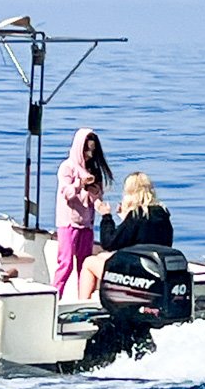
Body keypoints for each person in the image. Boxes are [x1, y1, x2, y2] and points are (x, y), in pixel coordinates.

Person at [77, 171, 174, 299]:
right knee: (102, 256)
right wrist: (125, 219)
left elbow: (109, 243)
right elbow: (140, 237)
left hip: (136, 275)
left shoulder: (136, 216)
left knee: (89, 262)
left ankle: (83, 304)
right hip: (155, 268)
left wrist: (106, 217)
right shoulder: (163, 214)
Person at [54, 128, 113, 298]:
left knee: (85, 264)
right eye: (86, 150)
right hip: (68, 223)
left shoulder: (92, 169)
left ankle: (83, 299)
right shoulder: (67, 167)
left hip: (86, 224)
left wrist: (96, 194)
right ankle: (55, 296)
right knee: (65, 263)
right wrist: (80, 183)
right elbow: (67, 193)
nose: (89, 154)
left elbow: (95, 198)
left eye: (92, 151)